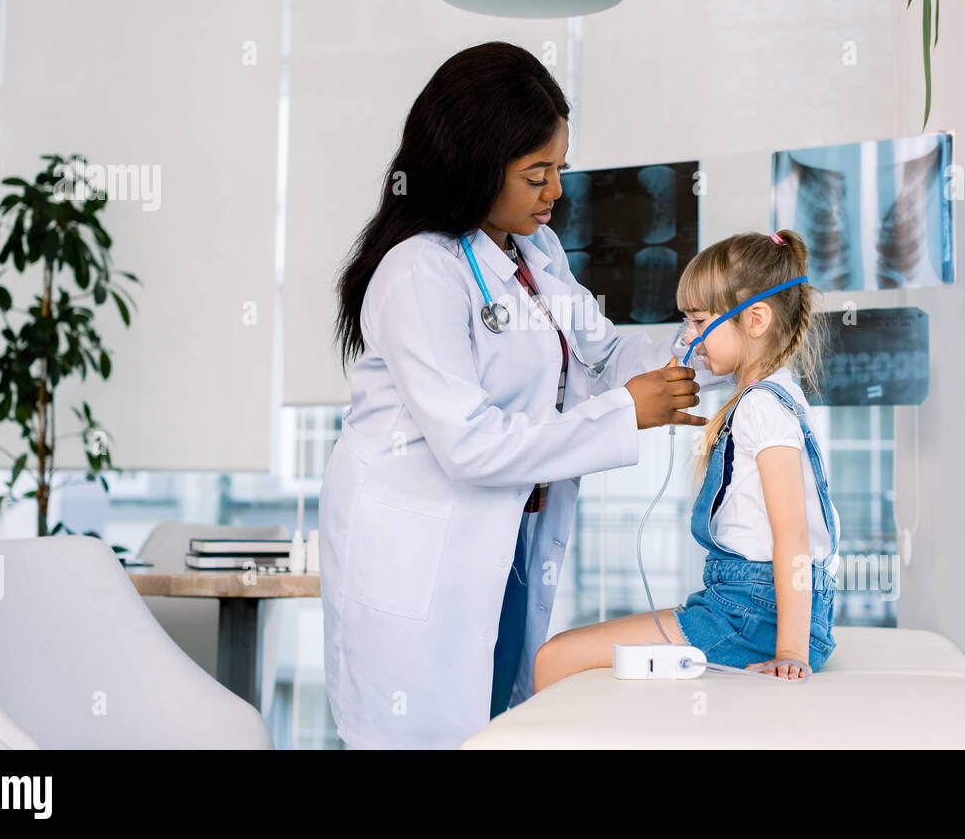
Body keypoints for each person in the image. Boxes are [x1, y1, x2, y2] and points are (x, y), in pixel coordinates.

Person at [320, 41, 716, 749]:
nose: (556, 193)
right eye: (538, 174)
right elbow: (471, 443)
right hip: (424, 558)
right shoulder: (418, 273)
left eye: (558, 169)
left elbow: (603, 353)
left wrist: (710, 346)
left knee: (497, 722)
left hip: (504, 544)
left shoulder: (533, 254)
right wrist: (628, 411)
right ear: (473, 166)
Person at [533, 229, 842, 690]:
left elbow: (792, 536)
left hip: (752, 617)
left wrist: (791, 652)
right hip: (752, 609)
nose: (688, 338)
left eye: (698, 321)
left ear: (755, 320)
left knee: (554, 657)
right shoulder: (783, 394)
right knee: (560, 654)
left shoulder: (761, 405)